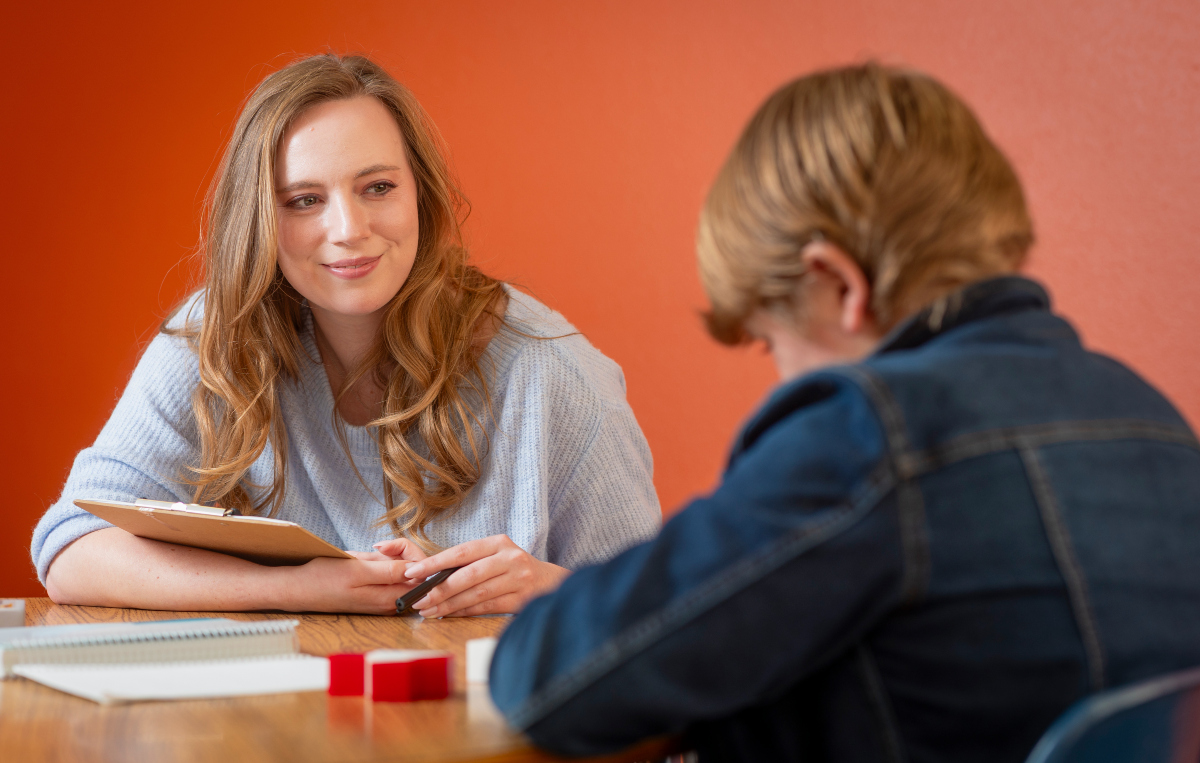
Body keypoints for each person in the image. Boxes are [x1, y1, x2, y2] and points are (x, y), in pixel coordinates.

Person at [486, 63, 1200, 761]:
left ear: (837, 285)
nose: (776, 374)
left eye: (770, 341)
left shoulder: (870, 434)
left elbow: (550, 679)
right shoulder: (1152, 418)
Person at [31, 54, 660, 616]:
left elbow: (671, 610)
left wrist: (553, 590)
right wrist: (304, 586)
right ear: (260, 220)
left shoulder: (555, 373)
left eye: (377, 188)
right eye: (304, 200)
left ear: (422, 194)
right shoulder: (213, 339)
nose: (349, 228)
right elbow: (71, 549)